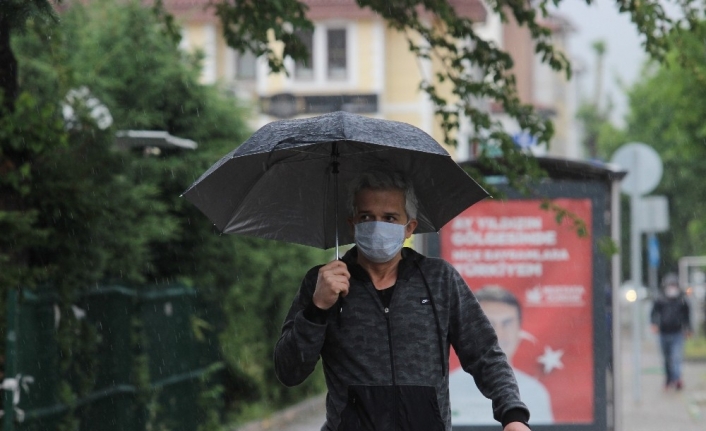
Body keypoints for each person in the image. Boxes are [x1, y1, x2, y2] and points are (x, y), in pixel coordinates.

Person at [274, 169, 531, 431]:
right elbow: (289, 371)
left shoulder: (439, 279)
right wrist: (317, 310)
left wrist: (513, 415)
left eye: (389, 218)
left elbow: (484, 353)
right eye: (366, 217)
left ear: (409, 227)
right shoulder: (323, 283)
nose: (377, 226)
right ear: (352, 224)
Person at [449, 286, 553, 424]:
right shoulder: (449, 388)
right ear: (469, 329)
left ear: (519, 330)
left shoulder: (535, 393)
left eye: (507, 323)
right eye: (489, 323)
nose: (499, 334)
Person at [650, 272, 692, 391]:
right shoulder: (660, 299)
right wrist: (654, 324)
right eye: (670, 285)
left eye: (674, 285)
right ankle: (669, 379)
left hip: (677, 333)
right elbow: (653, 313)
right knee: (667, 359)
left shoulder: (682, 301)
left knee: (676, 357)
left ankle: (677, 379)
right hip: (663, 333)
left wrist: (688, 329)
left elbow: (687, 317)